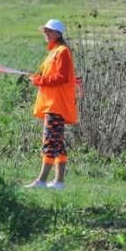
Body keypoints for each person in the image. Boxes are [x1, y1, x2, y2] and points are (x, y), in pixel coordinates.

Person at [25, 19, 78, 189]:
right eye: (45, 31)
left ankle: (41, 180)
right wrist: (38, 78)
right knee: (57, 142)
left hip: (56, 105)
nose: (46, 34)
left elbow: (61, 78)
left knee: (49, 141)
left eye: (49, 31)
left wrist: (40, 81)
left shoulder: (62, 51)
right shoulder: (55, 51)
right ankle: (59, 182)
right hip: (52, 104)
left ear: (58, 33)